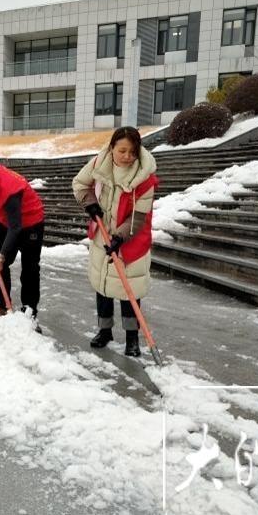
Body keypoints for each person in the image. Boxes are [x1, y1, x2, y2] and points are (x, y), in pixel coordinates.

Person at [72, 126, 158, 357]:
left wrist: (120, 237)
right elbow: (79, 185)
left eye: (132, 152)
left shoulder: (144, 177)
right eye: (122, 150)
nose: (127, 156)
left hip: (131, 238)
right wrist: (90, 204)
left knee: (129, 290)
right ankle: (105, 330)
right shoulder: (99, 164)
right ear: (112, 148)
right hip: (102, 234)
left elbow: (138, 216)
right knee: (103, 286)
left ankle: (132, 338)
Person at [0, 160, 45, 325]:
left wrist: (3, 256)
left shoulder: (9, 190)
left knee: (30, 269)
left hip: (31, 222)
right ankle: (2, 306)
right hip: (6, 222)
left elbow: (16, 228)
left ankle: (29, 314)